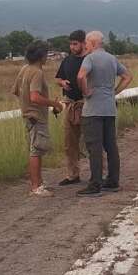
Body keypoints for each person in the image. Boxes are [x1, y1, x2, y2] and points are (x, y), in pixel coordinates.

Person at [76, 30, 132, 197]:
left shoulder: (90, 58)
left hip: (93, 109)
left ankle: (95, 184)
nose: (85, 46)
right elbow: (128, 77)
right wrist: (114, 92)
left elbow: (80, 77)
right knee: (111, 146)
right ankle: (113, 181)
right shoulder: (112, 58)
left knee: (95, 148)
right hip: (109, 108)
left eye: (86, 43)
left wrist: (86, 92)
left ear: (92, 43)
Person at [12, 41, 63, 196]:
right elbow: (35, 96)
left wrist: (24, 104)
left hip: (28, 116)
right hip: (36, 116)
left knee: (36, 149)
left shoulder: (24, 69)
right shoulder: (37, 72)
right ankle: (36, 187)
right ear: (41, 56)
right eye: (46, 54)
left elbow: (15, 91)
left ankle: (38, 182)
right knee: (36, 150)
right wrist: (54, 103)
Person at [54, 30, 87, 185]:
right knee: (69, 142)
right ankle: (73, 175)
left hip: (87, 104)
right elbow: (58, 78)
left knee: (92, 141)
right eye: (71, 44)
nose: (72, 47)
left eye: (75, 44)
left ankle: (100, 174)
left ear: (83, 43)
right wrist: (62, 83)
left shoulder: (89, 60)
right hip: (70, 103)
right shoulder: (67, 60)